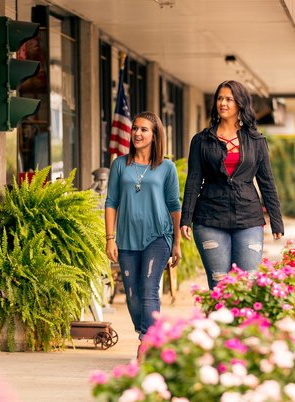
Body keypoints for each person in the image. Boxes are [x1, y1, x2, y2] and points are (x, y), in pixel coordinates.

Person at [180, 80, 284, 290]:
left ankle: (243, 324)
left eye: (229, 99)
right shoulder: (201, 140)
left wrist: (276, 220)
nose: (223, 103)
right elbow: (193, 180)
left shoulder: (256, 140)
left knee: (246, 286)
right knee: (219, 285)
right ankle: (218, 323)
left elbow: (267, 182)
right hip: (210, 218)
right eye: (220, 98)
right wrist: (186, 219)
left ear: (240, 104)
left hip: (248, 219)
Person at [104, 111, 181, 361]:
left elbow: (174, 205)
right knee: (133, 294)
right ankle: (152, 331)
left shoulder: (166, 167)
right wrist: (110, 238)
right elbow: (111, 201)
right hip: (127, 238)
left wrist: (177, 243)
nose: (137, 133)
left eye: (144, 129)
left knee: (149, 287)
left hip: (158, 236)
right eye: (135, 128)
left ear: (155, 134)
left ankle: (146, 342)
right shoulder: (119, 164)